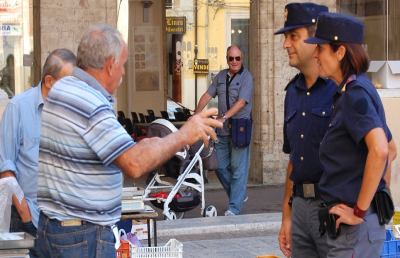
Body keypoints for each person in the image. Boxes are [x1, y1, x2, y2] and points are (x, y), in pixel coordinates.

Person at [35, 24, 221, 258]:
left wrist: (172, 137)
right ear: (111, 64)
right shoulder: (89, 103)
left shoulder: (65, 89)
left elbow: (129, 151)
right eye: (123, 65)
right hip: (81, 237)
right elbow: (134, 163)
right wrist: (184, 135)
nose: (123, 73)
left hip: (59, 229)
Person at [305, 12, 397, 257]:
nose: (315, 55)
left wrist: (359, 211)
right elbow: (391, 147)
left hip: (354, 233)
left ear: (341, 52)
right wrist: (376, 201)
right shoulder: (356, 90)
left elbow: (381, 150)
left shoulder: (355, 94)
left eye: (321, 49)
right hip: (358, 231)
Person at [0, 48, 76, 258]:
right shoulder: (18, 108)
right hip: (27, 219)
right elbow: (5, 168)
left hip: (64, 222)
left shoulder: (70, 112)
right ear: (49, 81)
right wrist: (26, 215)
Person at [274, 3, 336, 258]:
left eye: (293, 37)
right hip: (300, 207)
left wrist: (361, 211)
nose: (286, 44)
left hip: (332, 209)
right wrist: (286, 217)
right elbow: (293, 162)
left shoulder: (342, 89)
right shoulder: (293, 93)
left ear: (315, 39)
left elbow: (384, 151)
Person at [195, 45, 253, 216]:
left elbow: (242, 102)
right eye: (231, 58)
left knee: (238, 168)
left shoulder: (247, 77)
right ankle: (239, 195)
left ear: (242, 59)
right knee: (219, 166)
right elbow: (207, 95)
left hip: (239, 127)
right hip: (222, 130)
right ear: (227, 59)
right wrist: (196, 115)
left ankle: (234, 208)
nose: (234, 61)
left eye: (238, 58)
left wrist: (224, 117)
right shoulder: (220, 76)